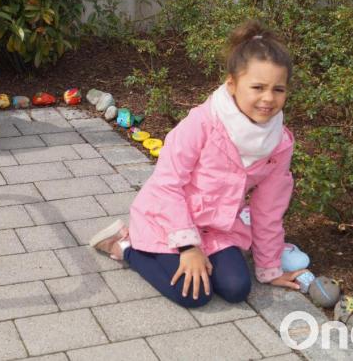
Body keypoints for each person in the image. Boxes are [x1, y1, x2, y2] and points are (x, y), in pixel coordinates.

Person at [89, 20, 308, 308]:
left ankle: (187, 254)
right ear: (232, 83)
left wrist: (270, 270)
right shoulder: (202, 123)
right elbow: (167, 185)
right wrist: (188, 247)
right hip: (167, 219)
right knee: (193, 294)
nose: (268, 98)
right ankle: (126, 246)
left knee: (236, 289)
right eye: (257, 87)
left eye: (278, 89)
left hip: (217, 228)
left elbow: (268, 209)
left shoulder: (278, 143)